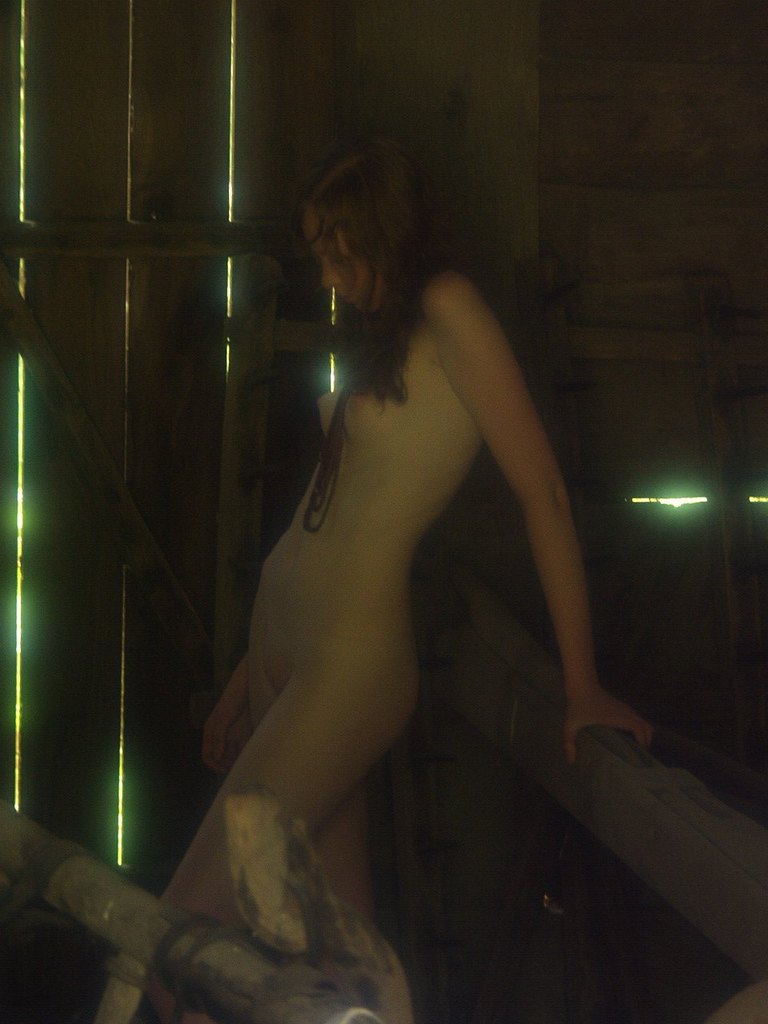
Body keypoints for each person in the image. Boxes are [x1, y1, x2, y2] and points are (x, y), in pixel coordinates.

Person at [150, 138, 653, 1024]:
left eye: (339, 251)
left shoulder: (452, 307)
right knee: (344, 964)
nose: (329, 275)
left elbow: (543, 495)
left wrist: (582, 685)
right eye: (320, 255)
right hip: (289, 662)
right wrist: (244, 679)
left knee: (179, 943)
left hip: (348, 671)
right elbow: (325, 515)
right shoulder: (383, 336)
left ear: (386, 229)